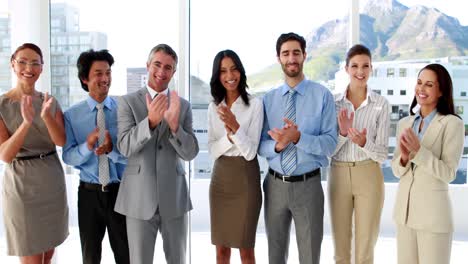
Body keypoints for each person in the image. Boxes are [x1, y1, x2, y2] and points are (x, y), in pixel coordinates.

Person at [115, 44, 199, 264]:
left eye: (168, 67)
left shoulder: (184, 106)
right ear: (148, 66)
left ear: (173, 72)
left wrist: (174, 128)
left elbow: (190, 153)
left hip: (174, 197)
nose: (162, 71)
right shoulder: (127, 102)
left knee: (177, 260)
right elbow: (123, 147)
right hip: (138, 198)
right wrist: (150, 122)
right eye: (157, 65)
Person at [258, 32, 338, 264]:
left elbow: (330, 144)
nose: (291, 58)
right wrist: (279, 145)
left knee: (310, 255)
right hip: (275, 186)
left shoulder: (322, 95)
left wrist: (299, 137)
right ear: (278, 58)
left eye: (296, 53)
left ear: (304, 56)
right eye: (286, 54)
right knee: (275, 255)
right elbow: (261, 146)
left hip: (308, 187)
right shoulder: (268, 99)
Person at [0, 43, 68, 263]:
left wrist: (46, 116)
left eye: (35, 63)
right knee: (31, 257)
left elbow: (60, 140)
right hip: (22, 186)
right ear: (13, 64)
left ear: (42, 68)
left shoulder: (49, 101)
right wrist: (26, 123)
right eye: (22, 61)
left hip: (51, 182)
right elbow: (5, 155)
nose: (28, 68)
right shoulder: (2, 104)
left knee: (47, 256)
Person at [62, 49, 129, 264]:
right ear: (85, 78)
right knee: (90, 257)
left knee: (126, 255)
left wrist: (113, 152)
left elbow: (134, 154)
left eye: (108, 73)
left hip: (121, 192)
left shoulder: (124, 110)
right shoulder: (72, 115)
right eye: (98, 73)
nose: (105, 79)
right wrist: (87, 145)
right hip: (89, 195)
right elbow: (69, 157)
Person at [392, 63, 464, 264]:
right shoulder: (404, 124)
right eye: (419, 82)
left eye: (429, 84)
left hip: (433, 218)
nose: (421, 89)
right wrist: (405, 157)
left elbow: (449, 173)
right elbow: (397, 170)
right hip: (404, 216)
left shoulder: (452, 124)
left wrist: (419, 152)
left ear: (441, 91)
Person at [329, 44, 390, 264]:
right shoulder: (333, 103)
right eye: (354, 66)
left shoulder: (382, 105)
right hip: (338, 173)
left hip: (369, 174)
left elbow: (382, 155)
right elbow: (328, 152)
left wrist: (364, 142)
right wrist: (344, 133)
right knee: (341, 247)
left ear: (372, 68)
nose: (360, 71)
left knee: (365, 247)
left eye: (365, 66)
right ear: (346, 69)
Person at [207, 50, 263, 264]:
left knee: (245, 249)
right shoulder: (214, 107)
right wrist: (231, 138)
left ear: (240, 71)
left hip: (246, 178)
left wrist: (235, 127)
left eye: (234, 69)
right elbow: (212, 150)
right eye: (223, 71)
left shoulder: (255, 105)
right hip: (220, 179)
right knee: (221, 251)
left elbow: (250, 152)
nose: (230, 75)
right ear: (217, 76)